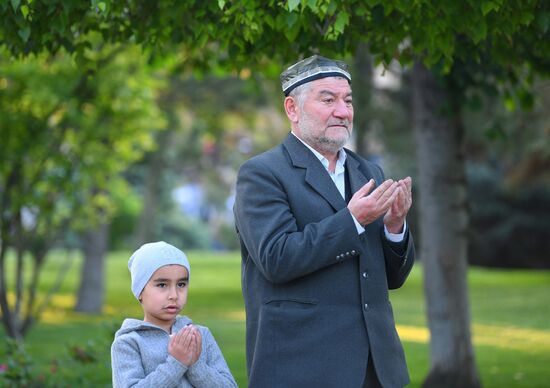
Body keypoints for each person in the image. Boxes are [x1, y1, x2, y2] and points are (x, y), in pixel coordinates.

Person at [233, 55, 415, 388]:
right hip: (302, 368)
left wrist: (394, 228)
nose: (343, 112)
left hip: (377, 369)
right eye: (327, 100)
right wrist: (353, 220)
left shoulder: (368, 172)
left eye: (347, 101)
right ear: (292, 108)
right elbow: (276, 259)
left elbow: (391, 279)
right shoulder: (261, 174)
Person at [111, 241, 237, 388]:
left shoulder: (200, 335)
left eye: (181, 284)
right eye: (162, 285)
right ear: (140, 292)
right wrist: (177, 363)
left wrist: (195, 365)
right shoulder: (129, 342)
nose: (174, 295)